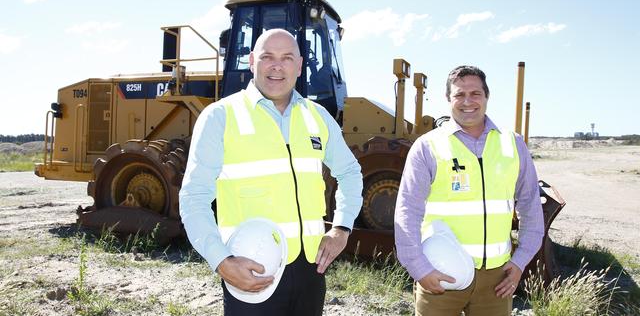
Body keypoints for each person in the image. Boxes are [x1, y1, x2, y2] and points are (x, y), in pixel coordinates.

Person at [179, 29, 362, 316]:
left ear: (300, 66)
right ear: (252, 61)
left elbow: (350, 172)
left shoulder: (317, 116)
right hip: (251, 267)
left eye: (287, 58)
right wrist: (222, 261)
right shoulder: (220, 116)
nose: (277, 66)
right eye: (267, 57)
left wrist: (342, 228)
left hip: (311, 271)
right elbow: (194, 197)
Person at [394, 65, 544, 316]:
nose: (467, 102)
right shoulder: (428, 146)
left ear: (487, 97)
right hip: (441, 273)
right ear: (448, 99)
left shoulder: (513, 144)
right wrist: (419, 268)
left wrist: (519, 263)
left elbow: (530, 206)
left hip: (496, 281)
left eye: (475, 94)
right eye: (459, 95)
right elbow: (407, 211)